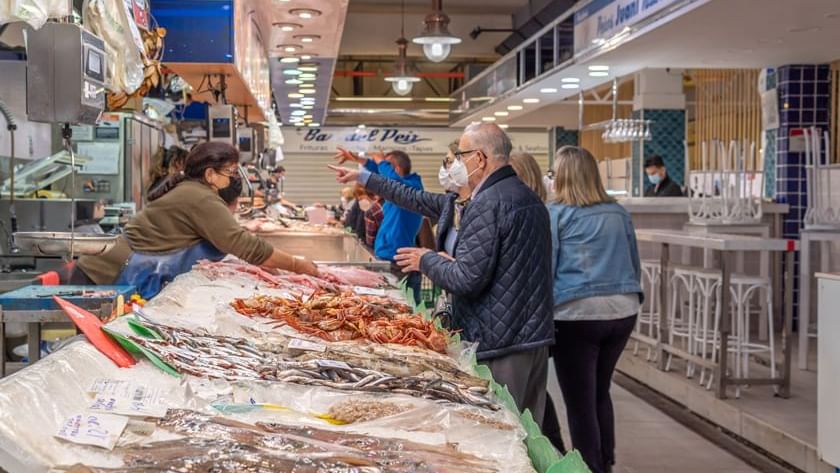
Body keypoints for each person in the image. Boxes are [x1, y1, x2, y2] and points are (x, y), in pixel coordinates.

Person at [330, 124, 553, 424]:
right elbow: (414, 198)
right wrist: (365, 176)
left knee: (502, 428)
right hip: (529, 337)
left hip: (503, 342)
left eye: (459, 156)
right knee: (526, 429)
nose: (456, 165)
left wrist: (427, 260)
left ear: (480, 158)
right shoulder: (520, 196)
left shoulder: (489, 203)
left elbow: (467, 279)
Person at [72, 142, 319, 297]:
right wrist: (297, 265)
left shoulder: (195, 191)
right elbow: (245, 245)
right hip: (107, 274)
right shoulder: (201, 198)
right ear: (210, 174)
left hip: (112, 269)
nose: (232, 179)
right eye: (230, 173)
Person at [548, 146, 643, 473]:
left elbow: (549, 268)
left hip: (576, 316)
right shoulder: (619, 213)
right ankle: (606, 461)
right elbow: (634, 263)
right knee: (601, 391)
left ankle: (589, 467)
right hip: (622, 311)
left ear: (561, 175)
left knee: (579, 401)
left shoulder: (557, 213)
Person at [509, 151, 565, 454]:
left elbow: (544, 269)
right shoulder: (534, 210)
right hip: (533, 320)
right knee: (538, 398)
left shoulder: (532, 212)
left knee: (531, 403)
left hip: (528, 322)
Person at [333, 148, 424, 302]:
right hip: (388, 260)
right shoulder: (396, 188)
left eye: (386, 167)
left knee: (404, 310)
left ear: (395, 169)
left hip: (400, 264)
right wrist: (361, 161)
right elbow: (381, 177)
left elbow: (391, 180)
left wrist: (380, 161)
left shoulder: (411, 188)